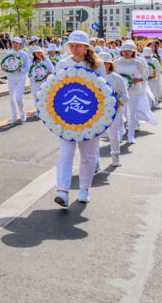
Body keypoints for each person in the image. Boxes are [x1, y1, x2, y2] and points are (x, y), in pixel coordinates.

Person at [52, 30, 106, 207]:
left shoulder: (97, 66)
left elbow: (104, 92)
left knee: (88, 156)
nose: (75, 48)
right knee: (65, 154)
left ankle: (84, 189)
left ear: (86, 47)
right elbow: (55, 89)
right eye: (72, 45)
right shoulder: (62, 64)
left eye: (78, 45)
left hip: (91, 118)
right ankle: (63, 192)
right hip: (66, 118)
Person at [114, 42, 157, 144]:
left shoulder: (138, 62)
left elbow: (145, 76)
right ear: (121, 52)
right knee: (120, 113)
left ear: (133, 52)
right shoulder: (116, 62)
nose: (126, 53)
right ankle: (120, 132)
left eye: (129, 51)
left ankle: (131, 136)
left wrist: (137, 80)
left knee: (131, 113)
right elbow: (113, 75)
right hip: (120, 92)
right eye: (124, 51)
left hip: (134, 91)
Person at [100, 52, 128, 167]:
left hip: (114, 111)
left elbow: (124, 95)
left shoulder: (117, 78)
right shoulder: (93, 77)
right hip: (98, 112)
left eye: (105, 63)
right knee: (94, 137)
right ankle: (95, 162)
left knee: (114, 134)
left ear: (109, 64)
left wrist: (116, 103)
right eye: (100, 63)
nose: (102, 66)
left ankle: (115, 155)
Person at [5, 37, 30, 124]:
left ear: (20, 44)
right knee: (12, 99)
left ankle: (22, 113)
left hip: (21, 78)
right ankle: (14, 117)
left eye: (17, 43)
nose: (15, 44)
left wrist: (21, 69)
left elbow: (27, 67)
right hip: (11, 78)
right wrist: (5, 69)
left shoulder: (24, 55)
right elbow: (5, 65)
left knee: (18, 98)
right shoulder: (8, 54)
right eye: (14, 43)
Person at [27, 46, 55, 112]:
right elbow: (28, 70)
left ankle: (45, 109)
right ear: (34, 54)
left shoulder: (46, 60)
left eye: (39, 52)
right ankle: (38, 111)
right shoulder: (31, 61)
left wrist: (47, 74)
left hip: (44, 81)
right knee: (35, 95)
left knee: (44, 95)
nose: (38, 54)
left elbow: (52, 70)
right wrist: (29, 75)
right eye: (37, 53)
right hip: (34, 82)